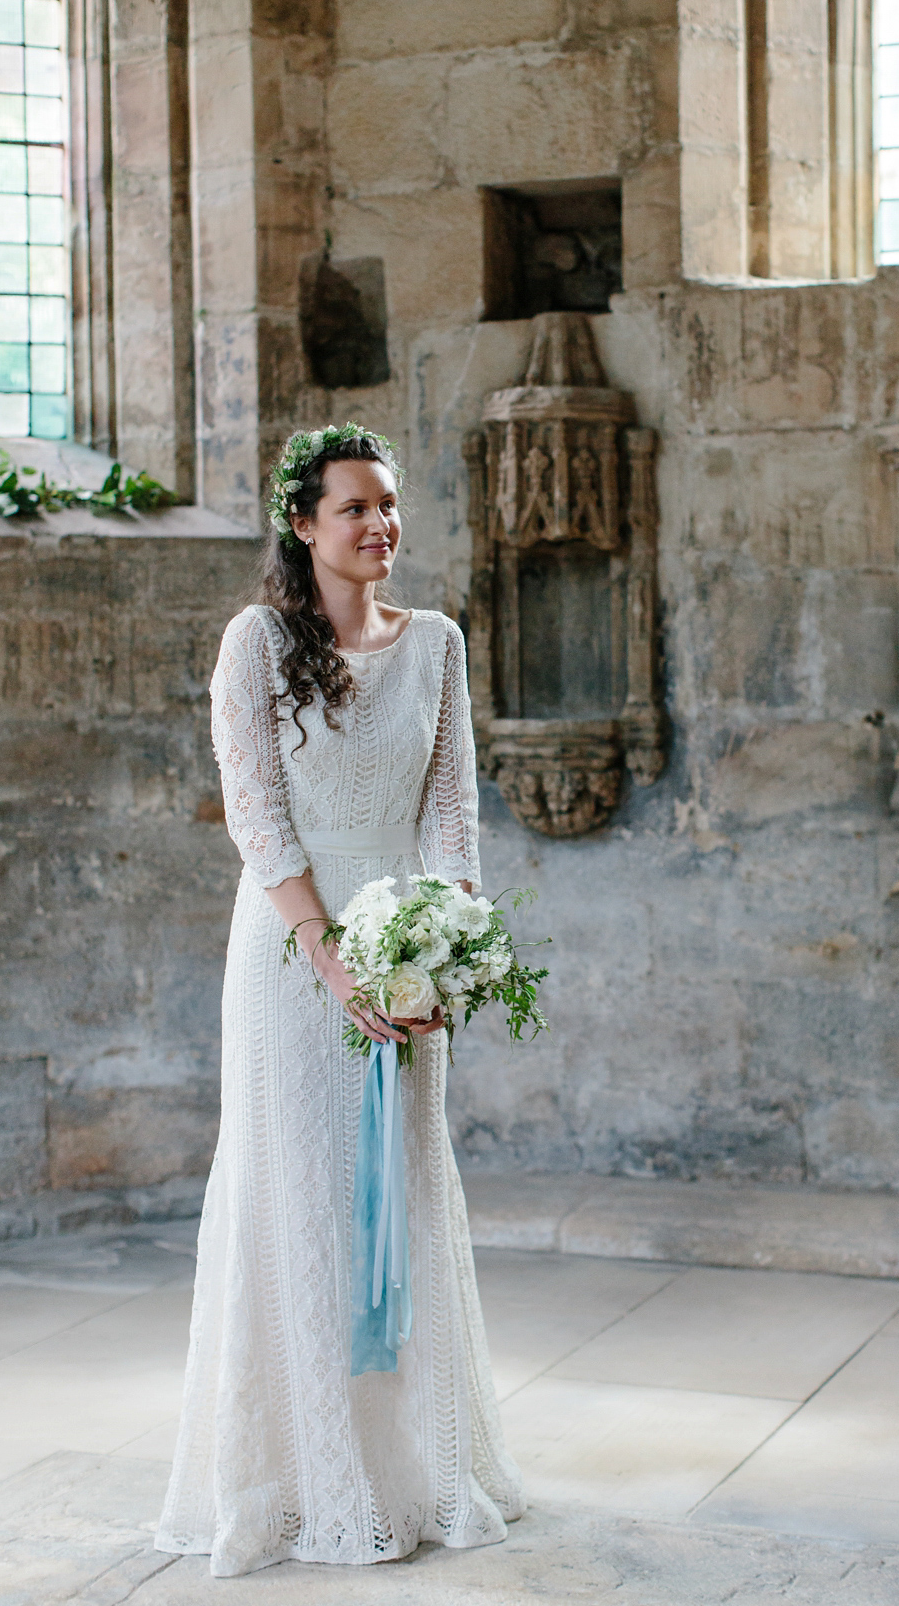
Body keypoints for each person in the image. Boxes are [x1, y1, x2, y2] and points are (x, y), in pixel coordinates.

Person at [155, 423, 524, 1577]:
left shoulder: (441, 645)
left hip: (404, 945)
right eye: (354, 507)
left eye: (389, 505)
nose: (380, 525)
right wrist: (333, 961)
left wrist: (448, 949)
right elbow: (256, 818)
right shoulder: (258, 642)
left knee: (403, 1189)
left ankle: (420, 1467)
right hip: (291, 949)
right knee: (302, 1193)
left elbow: (452, 812)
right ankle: (308, 1480)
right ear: (303, 524)